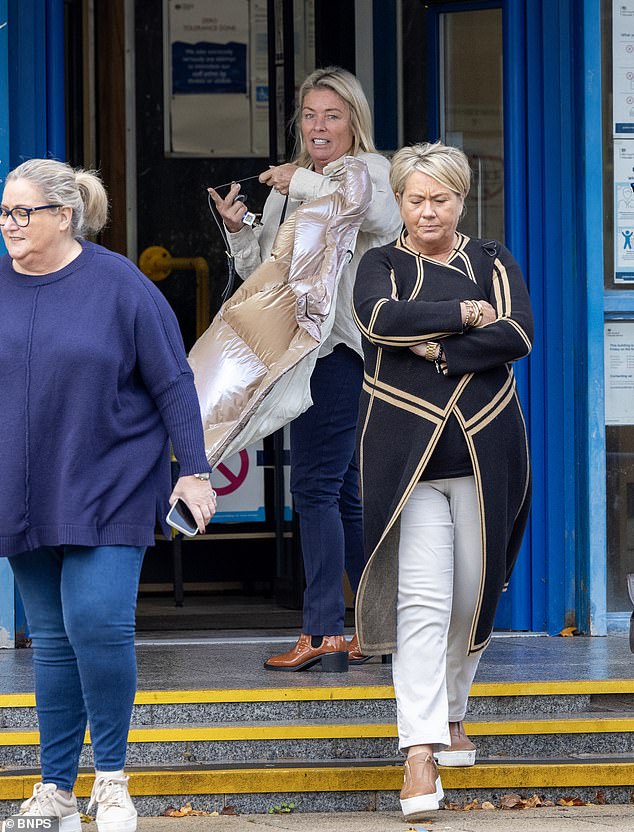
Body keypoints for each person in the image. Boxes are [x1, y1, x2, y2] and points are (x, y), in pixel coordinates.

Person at [0, 159, 216, 832]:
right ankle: (56, 789)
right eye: (3, 213)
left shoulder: (118, 283)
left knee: (96, 622)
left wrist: (194, 469)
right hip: (22, 482)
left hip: (110, 477)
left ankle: (114, 780)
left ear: (63, 216)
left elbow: (173, 382)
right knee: (55, 640)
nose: (9, 225)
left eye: (21, 213)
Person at [352, 141, 533, 819]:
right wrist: (461, 317)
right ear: (398, 200)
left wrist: (429, 349)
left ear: (462, 199)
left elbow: (517, 333)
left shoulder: (490, 259)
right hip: (410, 463)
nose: (428, 211)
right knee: (422, 605)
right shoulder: (381, 263)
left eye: (442, 199)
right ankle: (421, 750)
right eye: (415, 198)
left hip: (489, 453)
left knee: (472, 596)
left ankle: (453, 711)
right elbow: (376, 319)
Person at [209, 67, 401, 672]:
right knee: (342, 493)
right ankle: (377, 629)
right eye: (310, 116)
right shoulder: (289, 186)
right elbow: (264, 274)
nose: (319, 127)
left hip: (341, 352)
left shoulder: (370, 171)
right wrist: (239, 232)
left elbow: (378, 219)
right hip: (299, 351)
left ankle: (322, 631)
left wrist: (302, 184)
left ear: (354, 123)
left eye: (332, 116)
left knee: (314, 488)